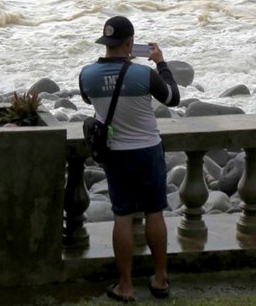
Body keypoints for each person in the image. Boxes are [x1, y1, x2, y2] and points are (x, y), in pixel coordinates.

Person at [79, 15, 181, 302]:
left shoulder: (86, 74)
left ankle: (125, 285)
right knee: (154, 212)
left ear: (105, 42)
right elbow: (173, 97)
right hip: (148, 151)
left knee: (122, 216)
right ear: (130, 44)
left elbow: (89, 101)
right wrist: (160, 63)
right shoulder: (144, 75)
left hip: (116, 154)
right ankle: (160, 280)